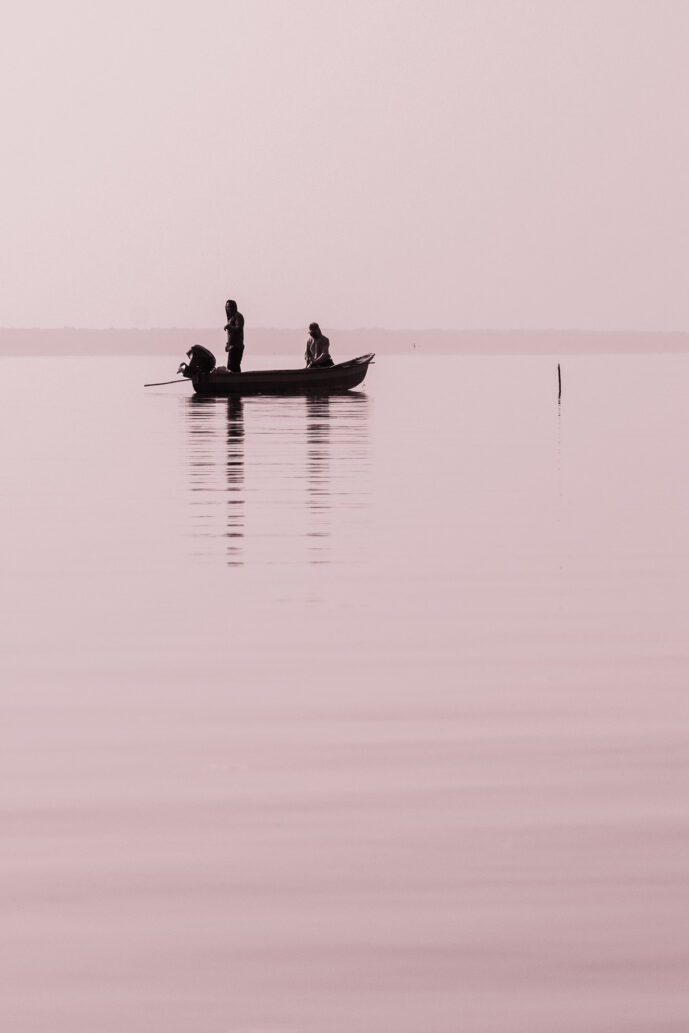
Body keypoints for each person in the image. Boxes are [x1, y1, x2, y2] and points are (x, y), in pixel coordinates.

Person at [224, 300, 245, 372]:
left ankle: (237, 381)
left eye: (230, 307)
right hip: (232, 347)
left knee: (232, 368)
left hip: (237, 347)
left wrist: (229, 327)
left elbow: (239, 328)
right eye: (227, 307)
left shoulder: (238, 316)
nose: (228, 309)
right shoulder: (231, 318)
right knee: (234, 368)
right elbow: (231, 335)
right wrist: (228, 344)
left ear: (234, 307)